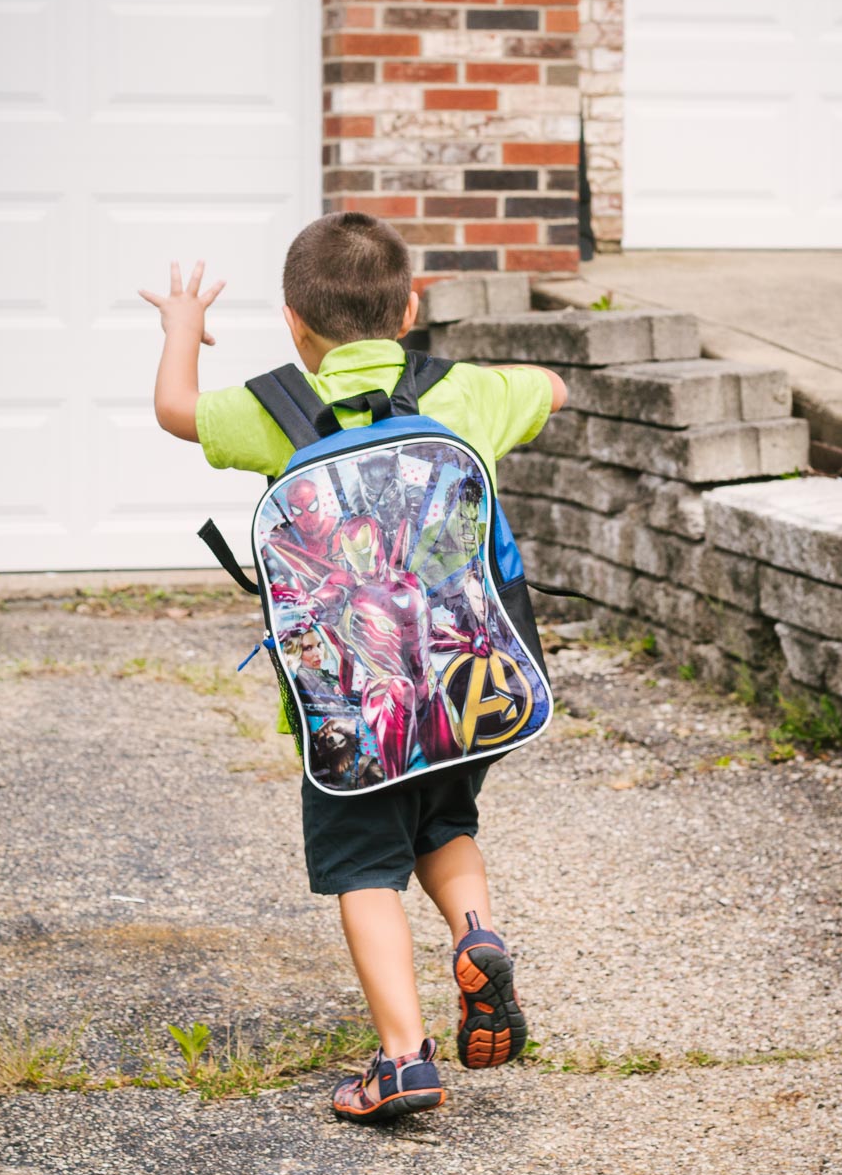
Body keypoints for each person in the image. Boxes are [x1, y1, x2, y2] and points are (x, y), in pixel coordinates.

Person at [139, 213, 566, 1124]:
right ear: (409, 309)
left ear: (294, 321)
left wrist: (182, 327)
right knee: (443, 822)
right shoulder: (463, 396)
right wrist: (508, 389)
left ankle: (403, 1059)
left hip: (350, 712)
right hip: (465, 693)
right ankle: (475, 934)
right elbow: (553, 388)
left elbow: (176, 410)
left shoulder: (274, 409)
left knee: (364, 865)